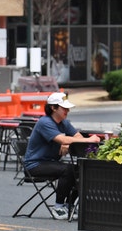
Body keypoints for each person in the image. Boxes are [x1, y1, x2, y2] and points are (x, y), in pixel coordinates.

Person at [23, 92, 101, 220]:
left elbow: (76, 136)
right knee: (68, 169)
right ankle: (58, 206)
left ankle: (69, 205)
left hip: (51, 162)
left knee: (82, 170)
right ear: (53, 108)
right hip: (34, 165)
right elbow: (62, 139)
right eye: (64, 108)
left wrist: (69, 141)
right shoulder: (45, 122)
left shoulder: (63, 122)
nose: (68, 110)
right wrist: (86, 140)